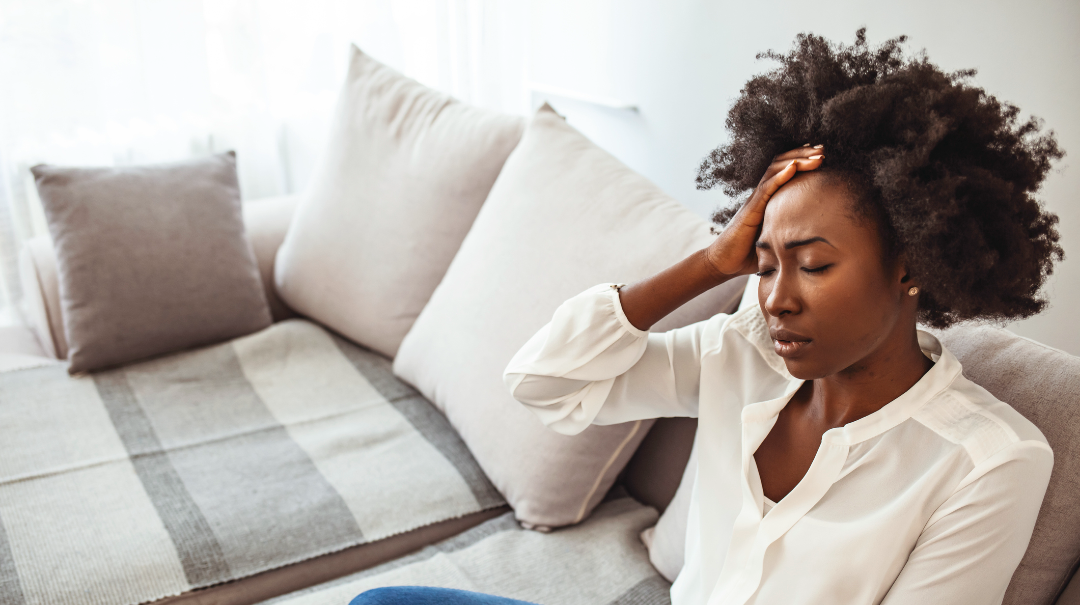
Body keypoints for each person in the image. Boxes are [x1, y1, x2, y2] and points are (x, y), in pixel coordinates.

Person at [352, 29, 1062, 605]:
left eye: (813, 265)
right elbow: (545, 382)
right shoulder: (743, 354)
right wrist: (710, 263)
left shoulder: (988, 461)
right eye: (764, 262)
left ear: (910, 264)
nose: (777, 296)